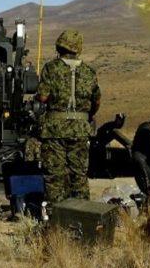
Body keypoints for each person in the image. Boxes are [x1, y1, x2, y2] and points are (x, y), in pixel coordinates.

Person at [35, 29, 101, 203]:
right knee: (79, 175)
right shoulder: (89, 72)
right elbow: (96, 101)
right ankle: (82, 212)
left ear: (60, 46)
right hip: (80, 130)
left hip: (54, 130)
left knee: (54, 176)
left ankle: (56, 214)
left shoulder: (51, 68)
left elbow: (43, 97)